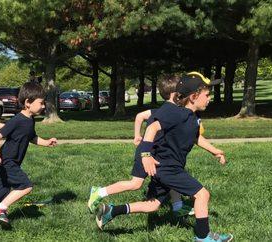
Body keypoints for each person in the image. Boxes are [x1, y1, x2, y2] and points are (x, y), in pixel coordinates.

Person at [94, 72, 233, 242]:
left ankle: (111, 211)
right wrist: (145, 155)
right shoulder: (175, 113)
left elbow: (196, 137)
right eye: (207, 95)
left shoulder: (194, 116)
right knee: (202, 195)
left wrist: (215, 150)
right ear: (194, 96)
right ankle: (203, 237)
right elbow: (152, 128)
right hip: (167, 168)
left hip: (167, 167)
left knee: (153, 205)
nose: (209, 98)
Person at [88, 75, 201, 217]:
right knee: (136, 183)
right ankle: (99, 192)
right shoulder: (163, 112)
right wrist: (137, 136)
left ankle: (178, 207)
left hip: (157, 154)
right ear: (175, 94)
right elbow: (139, 116)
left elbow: (140, 116)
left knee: (172, 176)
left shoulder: (170, 112)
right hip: (146, 152)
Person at [0, 82, 57, 232]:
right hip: (7, 161)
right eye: (41, 103)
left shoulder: (30, 120)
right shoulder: (17, 120)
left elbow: (32, 137)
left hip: (4, 164)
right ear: (28, 103)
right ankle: (0, 209)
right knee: (26, 186)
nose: (43, 106)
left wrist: (46, 142)